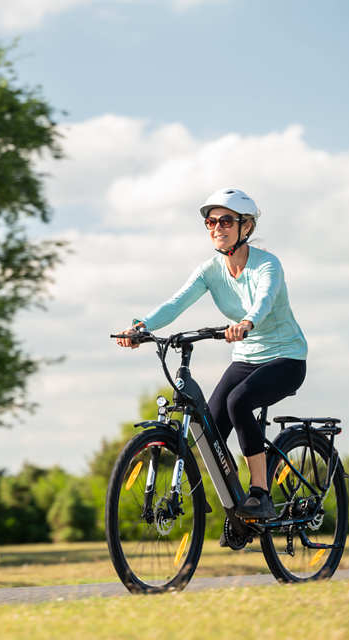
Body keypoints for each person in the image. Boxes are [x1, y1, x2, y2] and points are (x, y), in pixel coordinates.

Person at [115, 188, 307, 520]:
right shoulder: (210, 270)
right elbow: (177, 302)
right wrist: (141, 327)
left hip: (285, 358)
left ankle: (260, 494)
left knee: (238, 402)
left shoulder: (267, 265)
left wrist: (247, 322)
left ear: (246, 227)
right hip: (246, 358)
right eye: (211, 221)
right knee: (208, 428)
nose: (217, 227)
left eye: (226, 221)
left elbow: (263, 299)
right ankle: (235, 505)